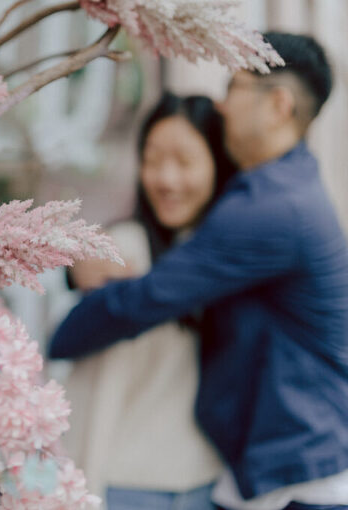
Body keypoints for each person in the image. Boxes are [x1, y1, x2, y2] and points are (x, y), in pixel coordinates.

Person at [49, 32, 348, 510]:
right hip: (283, 459)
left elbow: (147, 298)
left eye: (235, 88)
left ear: (279, 106)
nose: (224, 106)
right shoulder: (286, 185)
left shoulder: (271, 207)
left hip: (296, 472)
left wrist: (59, 334)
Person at [62, 92, 234, 510]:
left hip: (208, 482)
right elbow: (98, 381)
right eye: (153, 159)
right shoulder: (126, 250)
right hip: (130, 484)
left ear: (218, 162)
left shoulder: (228, 254)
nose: (166, 179)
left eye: (184, 161)